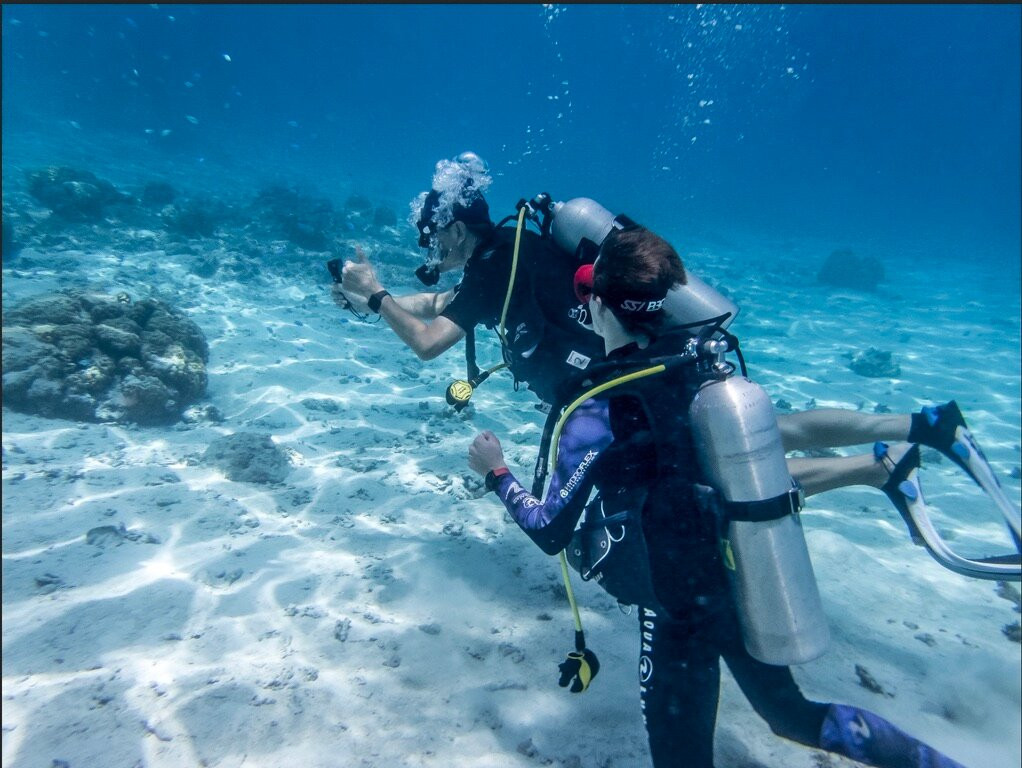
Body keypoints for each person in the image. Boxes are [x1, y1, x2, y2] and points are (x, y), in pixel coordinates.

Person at [466, 226, 968, 768]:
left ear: (598, 307)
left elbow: (548, 530)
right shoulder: (696, 368)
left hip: (675, 608)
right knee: (793, 716)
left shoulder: (599, 409)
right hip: (737, 577)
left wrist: (497, 473)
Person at [336, 152, 976, 507]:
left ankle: (878, 466)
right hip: (650, 363)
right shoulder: (509, 253)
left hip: (627, 391)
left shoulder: (495, 263)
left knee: (720, 472)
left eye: (429, 235)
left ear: (453, 227)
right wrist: (370, 301)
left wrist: (380, 295)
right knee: (770, 430)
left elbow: (428, 342)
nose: (427, 247)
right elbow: (438, 300)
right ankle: (920, 427)